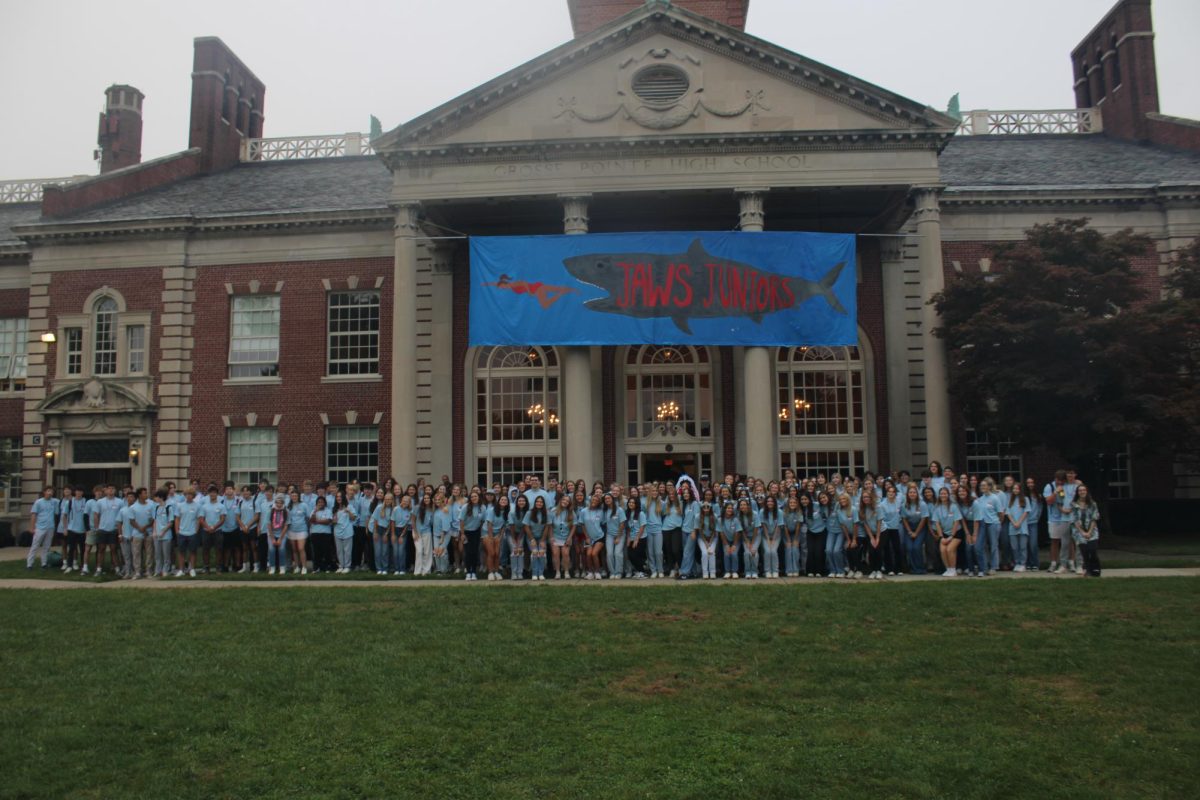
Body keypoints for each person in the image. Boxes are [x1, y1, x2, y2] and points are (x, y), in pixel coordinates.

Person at [1043, 470, 1077, 574]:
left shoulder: (1066, 486)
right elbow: (1048, 501)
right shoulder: (1049, 486)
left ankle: (1071, 563)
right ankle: (1053, 563)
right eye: (1059, 481)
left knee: (1068, 541)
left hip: (1066, 517)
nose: (1061, 483)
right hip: (1054, 518)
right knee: (1055, 541)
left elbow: (1066, 498)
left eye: (1063, 481)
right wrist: (1056, 492)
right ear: (1056, 479)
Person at [26, 487, 59, 571]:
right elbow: (34, 515)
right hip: (40, 527)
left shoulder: (54, 501)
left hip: (50, 527)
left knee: (46, 546)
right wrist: (32, 527)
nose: (50, 493)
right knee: (35, 545)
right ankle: (30, 564)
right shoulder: (38, 502)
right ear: (44, 492)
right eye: (48, 491)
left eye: (51, 491)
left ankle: (44, 563)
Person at [1072, 484, 1101, 577]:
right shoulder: (1074, 505)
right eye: (1080, 490)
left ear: (1087, 491)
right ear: (1077, 493)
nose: (1082, 492)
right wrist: (1082, 532)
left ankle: (1095, 569)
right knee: (1084, 552)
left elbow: (1094, 518)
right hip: (1079, 532)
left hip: (1092, 531)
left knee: (1092, 550)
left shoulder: (1093, 504)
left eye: (1084, 490)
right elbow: (1075, 520)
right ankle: (1087, 570)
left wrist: (1089, 532)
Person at [932, 487, 962, 577]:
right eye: (941, 494)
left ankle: (953, 569)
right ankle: (948, 569)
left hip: (956, 533)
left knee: (949, 549)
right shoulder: (937, 508)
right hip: (944, 533)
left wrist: (951, 536)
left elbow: (957, 522)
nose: (943, 495)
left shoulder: (953, 506)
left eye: (945, 493)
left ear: (948, 495)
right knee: (942, 550)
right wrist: (941, 537)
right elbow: (937, 524)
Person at [461, 489, 486, 581]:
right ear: (470, 498)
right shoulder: (465, 507)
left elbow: (483, 520)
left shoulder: (482, 507)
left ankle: (474, 572)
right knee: (468, 553)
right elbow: (461, 521)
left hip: (476, 532)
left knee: (475, 553)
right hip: (466, 532)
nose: (474, 498)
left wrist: (481, 531)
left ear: (478, 497)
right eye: (472, 497)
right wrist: (462, 534)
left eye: (475, 496)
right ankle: (468, 572)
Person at [580, 493, 606, 580]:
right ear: (590, 501)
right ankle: (590, 572)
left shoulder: (601, 512)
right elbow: (582, 525)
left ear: (599, 503)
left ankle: (597, 572)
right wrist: (587, 537)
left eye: (597, 501)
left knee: (594, 554)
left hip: (599, 536)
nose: (594, 501)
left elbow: (603, 523)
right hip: (588, 538)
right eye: (593, 500)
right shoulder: (583, 511)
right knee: (588, 554)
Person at [62, 486, 88, 573]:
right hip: (71, 529)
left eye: (80, 491)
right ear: (75, 492)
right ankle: (69, 565)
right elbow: (65, 516)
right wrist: (65, 528)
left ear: (82, 493)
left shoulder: (86, 502)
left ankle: (83, 565)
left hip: (83, 529)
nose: (79, 493)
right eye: (77, 491)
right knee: (71, 548)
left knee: (83, 549)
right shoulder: (69, 502)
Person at [858, 489, 883, 579]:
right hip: (870, 533)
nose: (866, 498)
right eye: (864, 497)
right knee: (871, 551)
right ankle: (873, 570)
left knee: (878, 550)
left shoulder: (878, 507)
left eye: (867, 497)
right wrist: (872, 538)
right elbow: (865, 524)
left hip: (881, 532)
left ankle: (879, 570)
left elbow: (879, 522)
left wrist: (878, 538)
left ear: (871, 498)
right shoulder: (862, 509)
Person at [284, 489, 310, 575]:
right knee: (294, 550)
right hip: (291, 530)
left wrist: (307, 529)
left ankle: (304, 567)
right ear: (290, 497)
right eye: (292, 496)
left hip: (302, 530)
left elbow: (307, 518)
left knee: (301, 548)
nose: (294, 497)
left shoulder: (304, 505)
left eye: (296, 496)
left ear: (298, 496)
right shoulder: (288, 506)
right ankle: (297, 567)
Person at [524, 495, 549, 581]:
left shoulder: (546, 513)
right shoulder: (529, 513)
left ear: (543, 504)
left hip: (542, 537)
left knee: (541, 552)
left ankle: (541, 573)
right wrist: (532, 539)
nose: (539, 503)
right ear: (535, 503)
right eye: (537, 502)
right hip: (531, 537)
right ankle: (534, 573)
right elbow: (526, 526)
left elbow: (547, 527)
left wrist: (542, 540)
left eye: (541, 502)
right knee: (535, 552)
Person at [370, 492, 395, 576]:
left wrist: (386, 534)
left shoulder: (393, 509)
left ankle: (385, 568)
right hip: (378, 529)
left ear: (392, 500)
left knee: (385, 551)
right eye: (386, 499)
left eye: (389, 499)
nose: (387, 500)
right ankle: (379, 568)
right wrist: (375, 532)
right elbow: (375, 520)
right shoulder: (379, 507)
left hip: (386, 531)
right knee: (377, 551)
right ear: (384, 499)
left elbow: (390, 523)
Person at [1006, 484, 1030, 573]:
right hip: (1012, 527)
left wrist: (1019, 522)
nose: (1015, 490)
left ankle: (1023, 564)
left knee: (1023, 546)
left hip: (1022, 526)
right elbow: (1008, 513)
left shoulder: (1025, 499)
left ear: (1020, 490)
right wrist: (1014, 522)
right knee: (1014, 547)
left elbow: (1026, 512)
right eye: (1014, 488)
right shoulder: (1009, 501)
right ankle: (1017, 563)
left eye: (1017, 488)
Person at [602, 493, 626, 580]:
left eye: (609, 498)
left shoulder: (619, 510)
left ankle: (619, 572)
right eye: (605, 499)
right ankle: (612, 572)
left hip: (620, 534)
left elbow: (622, 524)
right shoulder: (605, 511)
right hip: (609, 535)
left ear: (612, 499)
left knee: (618, 553)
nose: (607, 500)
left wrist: (618, 537)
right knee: (609, 554)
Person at [151, 488, 174, 578]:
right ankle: (158, 570)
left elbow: (170, 522)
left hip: (166, 535)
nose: (155, 498)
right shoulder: (156, 507)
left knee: (166, 554)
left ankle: (165, 570)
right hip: (157, 535)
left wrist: (163, 531)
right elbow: (155, 521)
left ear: (161, 497)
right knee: (157, 554)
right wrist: (154, 532)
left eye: (156, 497)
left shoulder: (169, 508)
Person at [760, 496, 784, 579]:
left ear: (774, 503)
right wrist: (767, 539)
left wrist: (773, 540)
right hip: (765, 535)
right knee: (767, 551)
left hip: (776, 535)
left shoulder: (779, 512)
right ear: (766, 503)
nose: (770, 503)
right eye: (768, 501)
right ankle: (767, 571)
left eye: (771, 501)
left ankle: (775, 571)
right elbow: (763, 526)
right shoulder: (762, 511)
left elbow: (778, 526)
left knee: (773, 551)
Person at [781, 495, 805, 578]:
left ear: (797, 504)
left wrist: (795, 540)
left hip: (796, 533)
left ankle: (796, 569)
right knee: (788, 549)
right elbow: (785, 527)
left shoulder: (799, 512)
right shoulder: (784, 513)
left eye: (794, 502)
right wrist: (788, 540)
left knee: (795, 549)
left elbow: (798, 526)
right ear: (788, 504)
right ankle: (789, 570)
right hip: (786, 533)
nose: (792, 504)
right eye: (790, 502)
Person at [334, 492, 358, 574]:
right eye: (337, 497)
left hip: (347, 531)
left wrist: (348, 512)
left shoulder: (349, 506)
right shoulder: (335, 508)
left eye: (340, 496)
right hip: (337, 531)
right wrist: (334, 520)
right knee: (339, 551)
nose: (338, 498)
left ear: (343, 497)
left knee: (347, 551)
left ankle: (347, 566)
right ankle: (341, 566)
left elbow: (354, 518)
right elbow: (333, 521)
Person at [696, 502, 720, 579]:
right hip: (702, 538)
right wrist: (706, 542)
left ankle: (712, 572)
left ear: (710, 508)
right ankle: (705, 572)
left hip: (713, 538)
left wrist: (710, 542)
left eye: (708, 507)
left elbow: (715, 531)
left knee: (711, 552)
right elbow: (700, 531)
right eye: (704, 507)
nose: (706, 509)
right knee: (704, 553)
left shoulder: (715, 516)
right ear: (701, 508)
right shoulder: (698, 517)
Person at [412, 494, 434, 576]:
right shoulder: (417, 507)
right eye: (425, 498)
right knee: (419, 550)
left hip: (427, 532)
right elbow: (413, 520)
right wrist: (415, 532)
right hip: (417, 532)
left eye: (428, 498)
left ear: (430, 499)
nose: (426, 499)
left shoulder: (431, 510)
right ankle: (417, 571)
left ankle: (426, 571)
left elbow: (431, 523)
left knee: (427, 552)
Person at [432, 495, 455, 575]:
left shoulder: (445, 510)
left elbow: (446, 525)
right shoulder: (435, 510)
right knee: (436, 552)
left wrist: (442, 538)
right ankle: (438, 569)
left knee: (442, 552)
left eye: (439, 500)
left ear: (442, 500)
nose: (437, 501)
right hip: (435, 534)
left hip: (445, 534)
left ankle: (444, 570)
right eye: (436, 500)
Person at [266, 495, 288, 575]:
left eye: (280, 503)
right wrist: (272, 539)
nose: (279, 504)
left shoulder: (286, 511)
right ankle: (272, 567)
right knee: (271, 550)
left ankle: (282, 567)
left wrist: (280, 539)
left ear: (283, 503)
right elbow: (268, 525)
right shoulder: (270, 511)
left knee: (281, 549)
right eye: (277, 503)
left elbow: (286, 526)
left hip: (282, 534)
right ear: (275, 503)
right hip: (271, 534)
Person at [718, 502, 741, 579]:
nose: (730, 510)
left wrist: (734, 545)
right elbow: (721, 534)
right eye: (728, 508)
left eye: (731, 508)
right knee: (727, 553)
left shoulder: (736, 519)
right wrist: (727, 545)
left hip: (736, 541)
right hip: (726, 541)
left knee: (734, 553)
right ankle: (727, 572)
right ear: (724, 509)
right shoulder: (720, 520)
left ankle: (734, 571)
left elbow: (737, 533)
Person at [392, 494, 413, 576]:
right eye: (404, 500)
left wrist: (402, 535)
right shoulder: (395, 509)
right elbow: (392, 522)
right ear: (401, 500)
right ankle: (396, 569)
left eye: (407, 501)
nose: (405, 502)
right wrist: (393, 534)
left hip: (403, 531)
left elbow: (407, 525)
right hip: (395, 529)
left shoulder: (410, 511)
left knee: (401, 551)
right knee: (395, 551)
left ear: (409, 503)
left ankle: (402, 569)